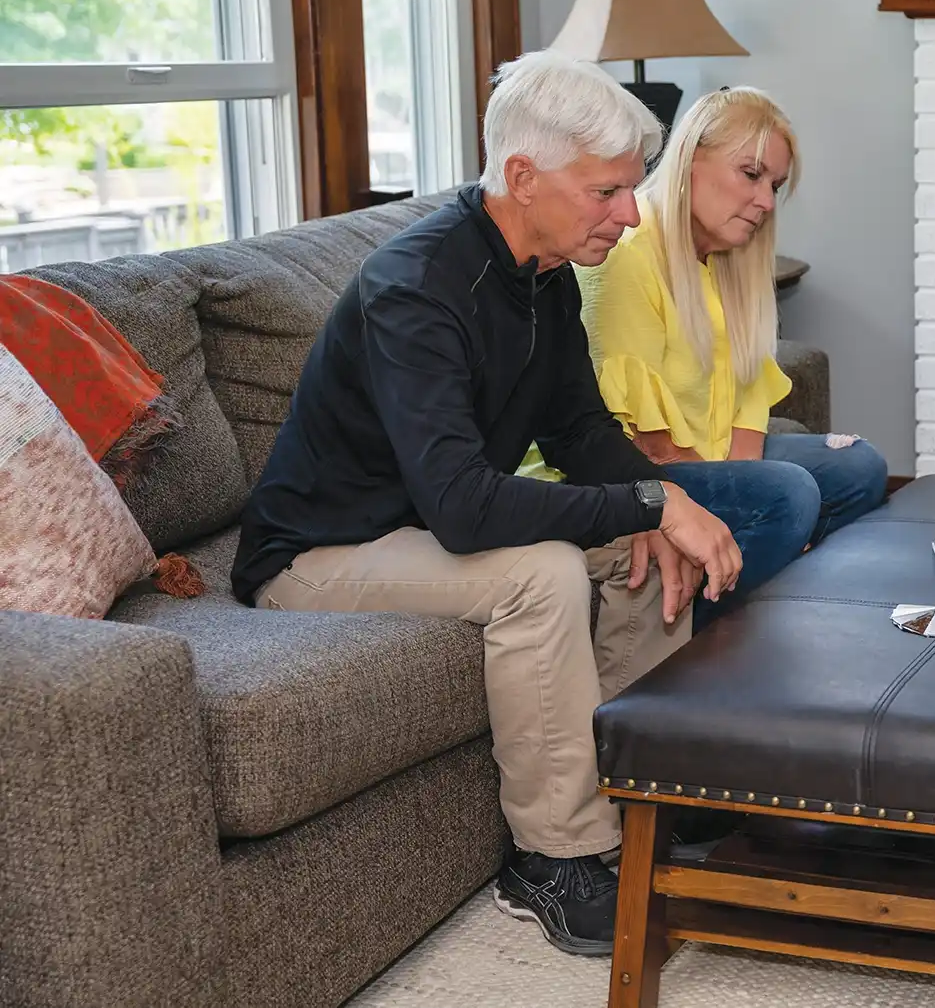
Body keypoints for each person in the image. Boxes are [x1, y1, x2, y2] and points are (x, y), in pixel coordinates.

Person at [229, 52, 816, 958]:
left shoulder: (540, 277)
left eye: (630, 190)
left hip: (420, 529)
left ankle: (644, 804)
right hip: (319, 553)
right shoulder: (414, 289)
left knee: (646, 540)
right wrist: (649, 500)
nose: (629, 213)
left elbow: (580, 433)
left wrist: (652, 506)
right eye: (607, 192)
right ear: (521, 177)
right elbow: (464, 508)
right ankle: (554, 857)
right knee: (544, 572)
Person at [570, 85, 888, 625]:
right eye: (751, 174)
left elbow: (746, 402)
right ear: (692, 159)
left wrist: (744, 488)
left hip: (706, 457)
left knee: (860, 465)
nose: (766, 201)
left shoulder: (725, 260)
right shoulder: (628, 254)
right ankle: (715, 641)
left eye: (775, 185)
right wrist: (748, 499)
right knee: (789, 495)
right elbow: (647, 440)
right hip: (641, 475)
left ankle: (774, 591)